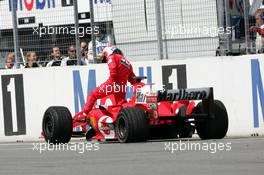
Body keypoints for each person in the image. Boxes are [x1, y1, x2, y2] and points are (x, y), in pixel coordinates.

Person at [79, 46, 137, 119]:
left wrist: (115, 83)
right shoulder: (128, 63)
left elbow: (113, 72)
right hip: (122, 87)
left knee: (93, 95)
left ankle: (84, 114)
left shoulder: (112, 56)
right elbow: (133, 79)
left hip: (112, 84)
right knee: (120, 105)